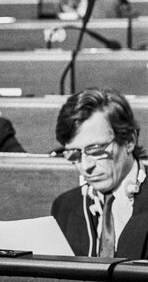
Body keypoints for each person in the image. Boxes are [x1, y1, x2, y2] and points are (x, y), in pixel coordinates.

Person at [51, 89, 148, 258]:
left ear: (129, 141)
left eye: (96, 150)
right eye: (74, 154)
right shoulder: (64, 207)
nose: (85, 166)